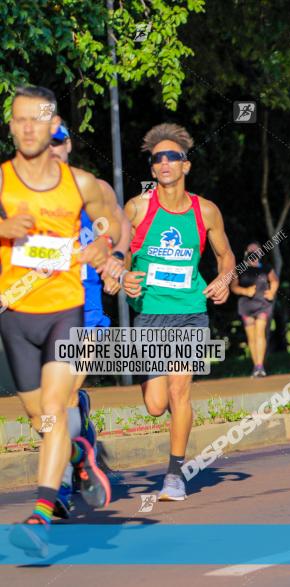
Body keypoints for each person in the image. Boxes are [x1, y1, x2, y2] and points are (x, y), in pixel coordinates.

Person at [1, 86, 121, 555]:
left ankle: (41, 515)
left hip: (66, 312)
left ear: (55, 127)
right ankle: (78, 454)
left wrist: (108, 250)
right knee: (39, 419)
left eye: (38, 119)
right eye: (19, 119)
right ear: (11, 125)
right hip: (15, 314)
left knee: (54, 409)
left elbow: (112, 220)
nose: (29, 128)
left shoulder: (81, 184)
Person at [122, 123, 235, 501]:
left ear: (186, 165)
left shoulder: (206, 211)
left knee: (179, 391)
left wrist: (223, 280)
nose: (166, 162)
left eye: (174, 156)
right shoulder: (137, 209)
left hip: (190, 310)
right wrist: (123, 276)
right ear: (153, 169)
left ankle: (174, 474)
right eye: (158, 158)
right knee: (156, 405)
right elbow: (119, 254)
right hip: (150, 313)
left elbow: (226, 257)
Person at [46, 121, 132, 518]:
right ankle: (81, 443)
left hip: (84, 310)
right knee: (47, 411)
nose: (51, 150)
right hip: (35, 310)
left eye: (58, 142)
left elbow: (121, 224)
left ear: (68, 146)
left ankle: (60, 488)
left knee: (58, 402)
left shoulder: (92, 188)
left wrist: (116, 260)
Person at [231, 242, 278, 377]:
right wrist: (245, 291)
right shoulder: (240, 269)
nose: (253, 253)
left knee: (260, 334)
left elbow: (274, 280)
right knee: (251, 337)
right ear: (246, 253)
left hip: (263, 304)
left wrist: (272, 292)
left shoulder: (266, 268)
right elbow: (233, 287)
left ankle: (260, 366)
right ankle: (255, 366)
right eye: (251, 251)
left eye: (256, 251)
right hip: (246, 306)